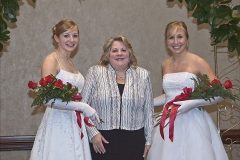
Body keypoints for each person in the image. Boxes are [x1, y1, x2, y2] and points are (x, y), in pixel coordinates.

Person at [147, 21, 229, 160]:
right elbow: (169, 95)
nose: (176, 41)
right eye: (171, 37)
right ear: (166, 41)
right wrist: (148, 102)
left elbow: (221, 94)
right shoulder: (165, 64)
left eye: (180, 36)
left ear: (187, 39)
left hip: (193, 121)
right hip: (168, 121)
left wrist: (192, 103)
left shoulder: (198, 61)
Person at [30, 19, 100, 160]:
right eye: (66, 35)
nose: (71, 40)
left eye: (75, 35)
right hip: (57, 123)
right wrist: (82, 106)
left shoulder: (70, 62)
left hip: (74, 124)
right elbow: (46, 99)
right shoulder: (51, 60)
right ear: (56, 38)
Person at [81, 35, 154, 160]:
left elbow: (148, 111)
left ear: (129, 53)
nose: (119, 53)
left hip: (134, 141)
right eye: (114, 50)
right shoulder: (95, 72)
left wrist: (148, 141)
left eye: (123, 50)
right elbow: (82, 107)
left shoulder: (143, 75)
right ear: (107, 54)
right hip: (102, 140)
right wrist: (93, 133)